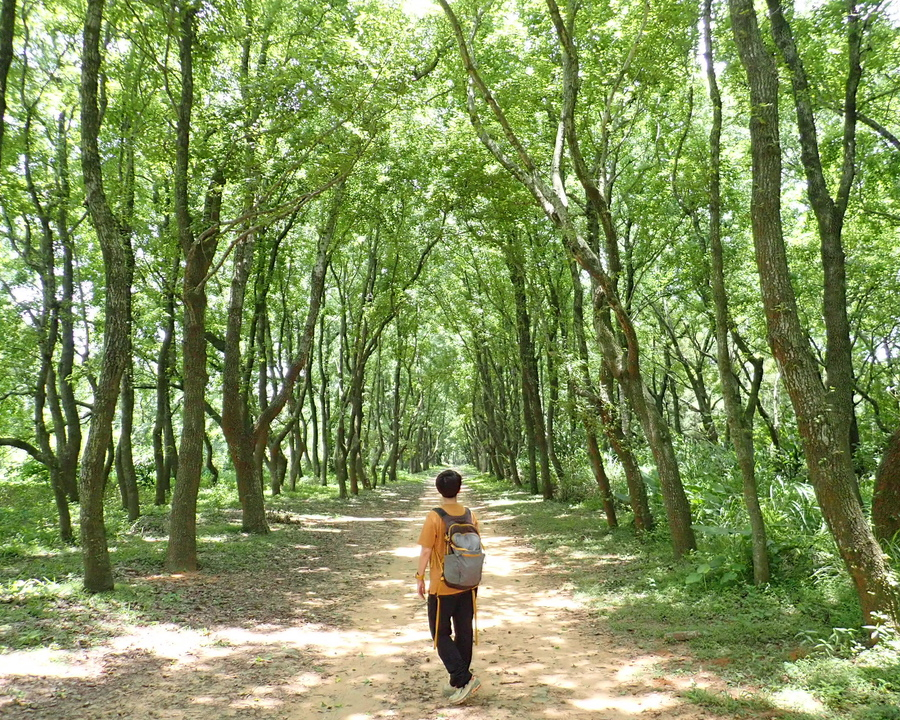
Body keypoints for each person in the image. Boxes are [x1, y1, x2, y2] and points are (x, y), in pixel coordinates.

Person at [415, 469, 482, 705]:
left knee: (439, 633)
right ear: (459, 489)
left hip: (443, 586)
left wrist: (419, 576)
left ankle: (464, 678)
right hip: (469, 584)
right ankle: (458, 681)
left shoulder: (435, 516)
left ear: (438, 490)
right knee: (464, 631)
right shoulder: (470, 514)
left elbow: (425, 550)